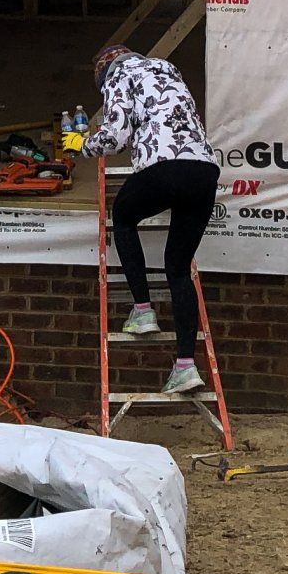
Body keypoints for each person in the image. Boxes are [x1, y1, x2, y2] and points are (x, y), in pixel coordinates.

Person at [84, 40, 220, 397]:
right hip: (203, 171)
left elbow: (115, 135)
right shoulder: (167, 69)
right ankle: (185, 366)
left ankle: (142, 310)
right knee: (177, 267)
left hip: (163, 167)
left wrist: (82, 145)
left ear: (103, 70)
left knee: (124, 215)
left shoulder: (117, 76)